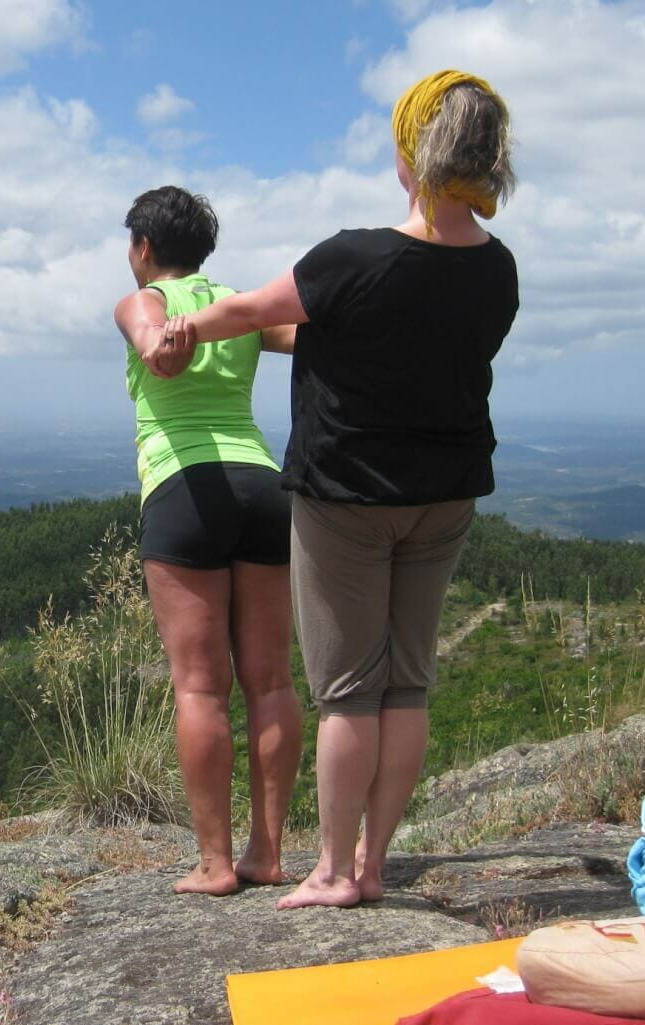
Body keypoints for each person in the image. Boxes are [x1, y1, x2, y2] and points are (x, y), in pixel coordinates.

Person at [161, 70, 520, 908]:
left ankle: (331, 871)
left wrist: (183, 326)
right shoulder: (497, 270)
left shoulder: (354, 256)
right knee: (408, 683)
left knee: (349, 690)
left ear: (411, 154)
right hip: (446, 496)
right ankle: (374, 862)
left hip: (346, 498)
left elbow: (249, 309)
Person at [115, 185, 304, 895]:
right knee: (273, 680)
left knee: (200, 686)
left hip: (184, 490)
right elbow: (308, 336)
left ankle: (215, 863)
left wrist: (165, 346)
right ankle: (269, 852)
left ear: (142, 248)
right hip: (262, 486)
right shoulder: (241, 306)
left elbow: (153, 345)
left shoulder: (142, 299)